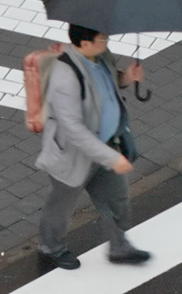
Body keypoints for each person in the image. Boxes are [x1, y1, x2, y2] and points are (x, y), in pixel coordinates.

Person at [35, 27, 146, 270]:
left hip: (105, 144)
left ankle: (119, 247)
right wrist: (112, 158)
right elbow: (73, 129)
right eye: (101, 38)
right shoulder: (65, 77)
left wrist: (127, 77)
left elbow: (108, 85)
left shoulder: (102, 57)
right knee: (61, 206)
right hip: (73, 155)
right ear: (84, 43)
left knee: (116, 198)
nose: (106, 41)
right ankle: (50, 247)